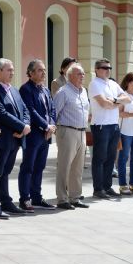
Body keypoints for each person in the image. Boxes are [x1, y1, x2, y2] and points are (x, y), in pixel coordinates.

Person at [0, 58, 30, 215]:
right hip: (2, 138)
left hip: (16, 138)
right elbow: (1, 114)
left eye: (13, 69)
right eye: (9, 70)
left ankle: (5, 201)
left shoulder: (14, 90)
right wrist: (21, 126)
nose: (12, 72)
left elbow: (24, 109)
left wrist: (25, 126)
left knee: (6, 171)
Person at [88, 58, 131, 199]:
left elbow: (127, 98)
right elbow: (103, 104)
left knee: (111, 158)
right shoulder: (94, 84)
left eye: (109, 68)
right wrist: (116, 102)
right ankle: (98, 189)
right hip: (101, 125)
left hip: (113, 125)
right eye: (104, 67)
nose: (107, 70)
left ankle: (107, 186)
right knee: (99, 158)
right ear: (97, 69)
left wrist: (113, 101)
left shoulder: (112, 83)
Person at [18, 59, 56, 209]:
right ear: (31, 73)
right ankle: (25, 198)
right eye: (40, 70)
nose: (43, 73)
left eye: (44, 70)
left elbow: (52, 109)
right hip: (33, 135)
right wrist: (46, 126)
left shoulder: (45, 90)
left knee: (40, 167)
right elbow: (31, 111)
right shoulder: (26, 89)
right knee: (28, 167)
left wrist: (51, 126)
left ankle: (36, 197)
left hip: (46, 135)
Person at [53, 64, 90, 209]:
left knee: (78, 167)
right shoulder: (63, 92)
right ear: (70, 76)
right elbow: (54, 112)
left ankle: (75, 197)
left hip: (82, 132)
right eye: (79, 74)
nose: (82, 76)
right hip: (67, 131)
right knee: (64, 166)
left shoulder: (83, 92)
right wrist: (57, 132)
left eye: (83, 74)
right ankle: (62, 199)